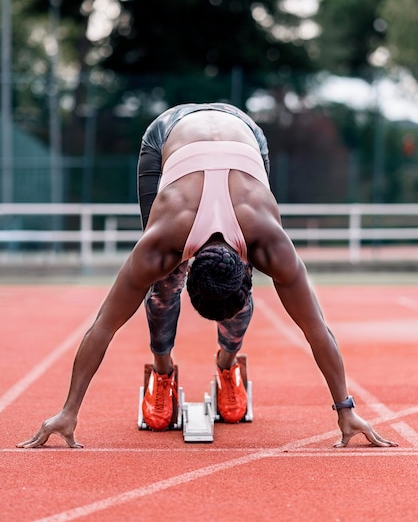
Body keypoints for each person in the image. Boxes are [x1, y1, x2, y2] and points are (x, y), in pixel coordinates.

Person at [17, 103, 397, 449]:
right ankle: (162, 372)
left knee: (212, 291)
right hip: (169, 132)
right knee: (164, 283)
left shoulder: (268, 240)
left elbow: (316, 329)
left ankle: (227, 363)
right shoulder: (162, 245)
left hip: (243, 132)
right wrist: (68, 411)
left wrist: (346, 408)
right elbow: (103, 326)